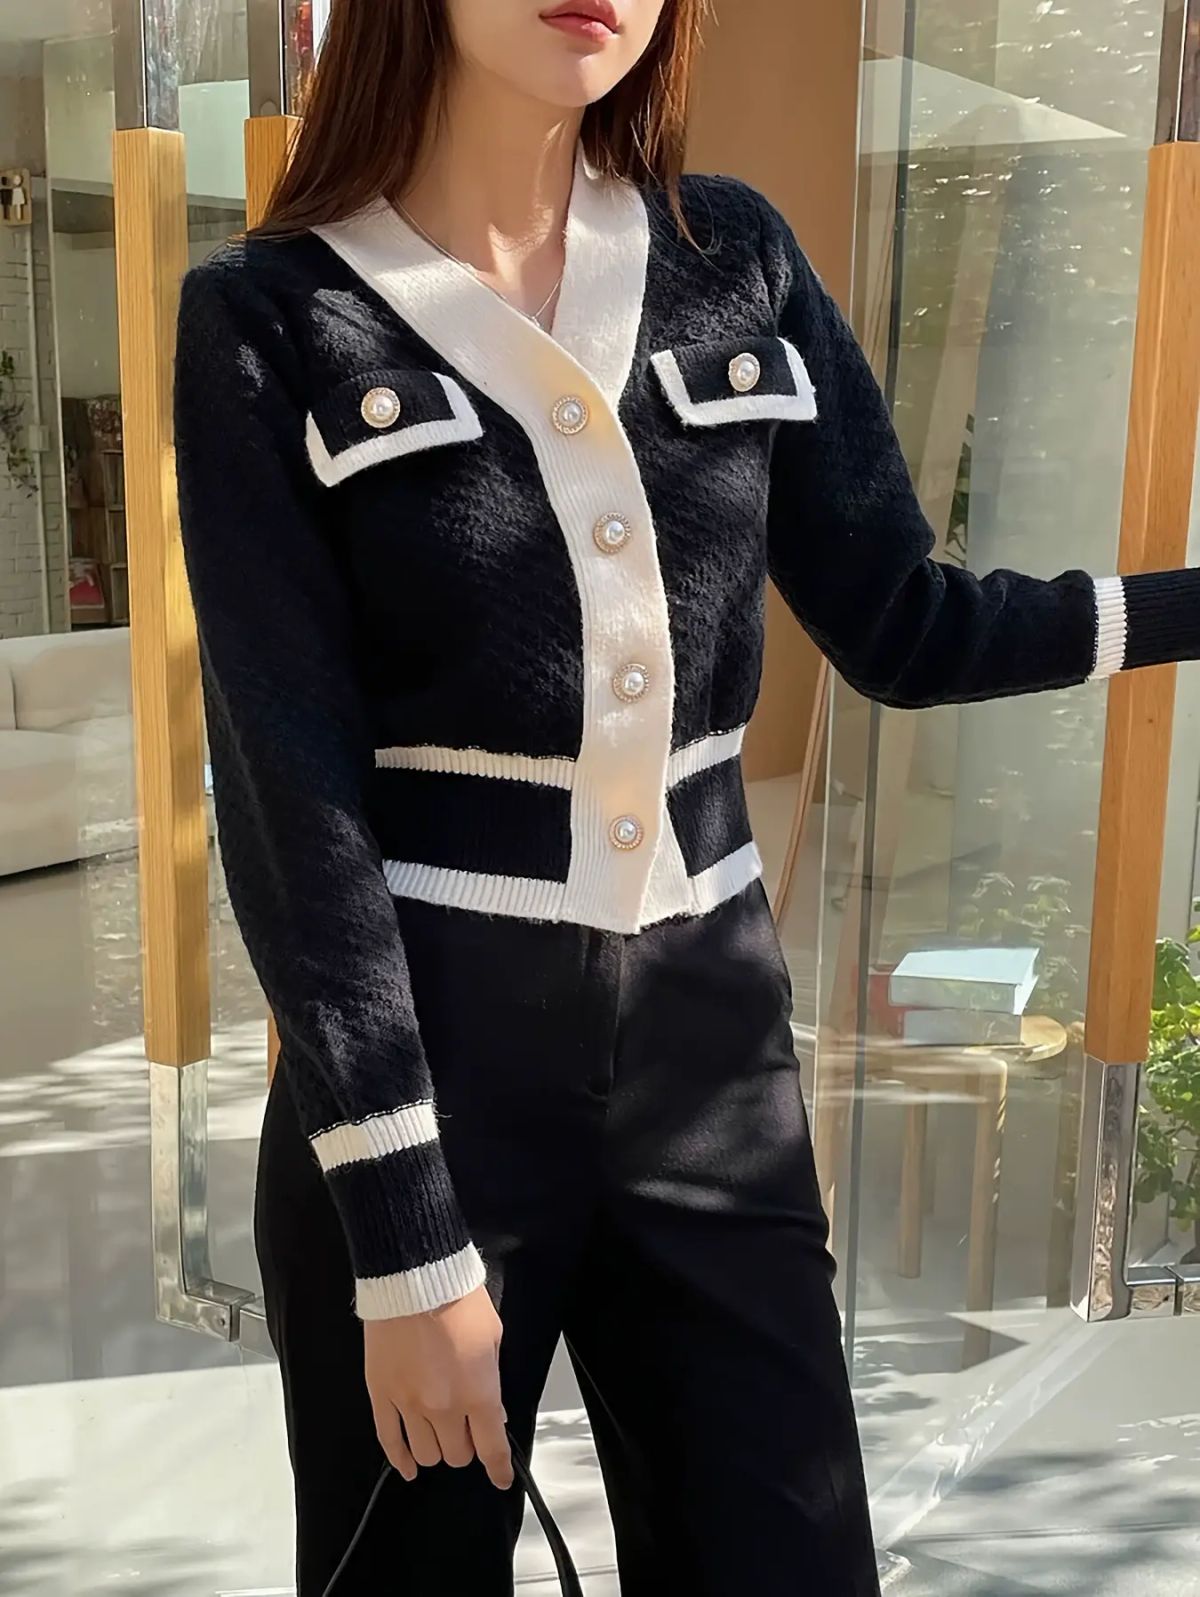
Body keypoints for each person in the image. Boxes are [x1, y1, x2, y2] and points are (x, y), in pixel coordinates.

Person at [173, 2, 1200, 1593]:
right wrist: (404, 1234)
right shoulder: (270, 317)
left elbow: (910, 625)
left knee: (789, 1554)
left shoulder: (737, 259)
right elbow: (291, 809)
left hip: (714, 1045)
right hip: (432, 1062)